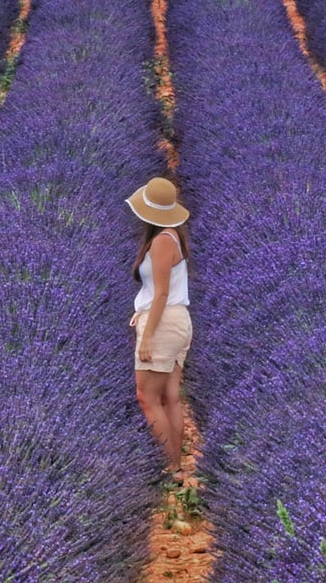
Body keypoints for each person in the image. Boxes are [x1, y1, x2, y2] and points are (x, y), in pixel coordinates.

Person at [126, 176, 192, 478]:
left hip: (163, 323)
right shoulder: (172, 236)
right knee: (169, 397)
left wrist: (148, 335)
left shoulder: (163, 241)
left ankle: (168, 468)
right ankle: (176, 466)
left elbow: (161, 293)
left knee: (147, 397)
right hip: (176, 321)